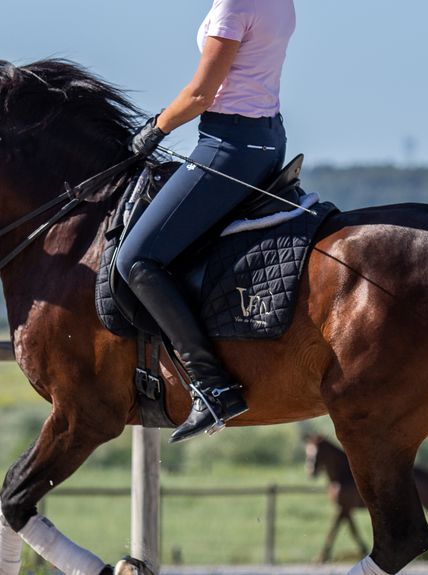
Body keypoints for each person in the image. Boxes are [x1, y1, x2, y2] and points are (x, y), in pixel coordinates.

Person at [117, 0, 296, 443]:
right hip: (267, 139)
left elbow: (201, 93)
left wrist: (153, 130)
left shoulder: (235, 5)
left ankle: (212, 384)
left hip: (227, 146)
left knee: (136, 259)